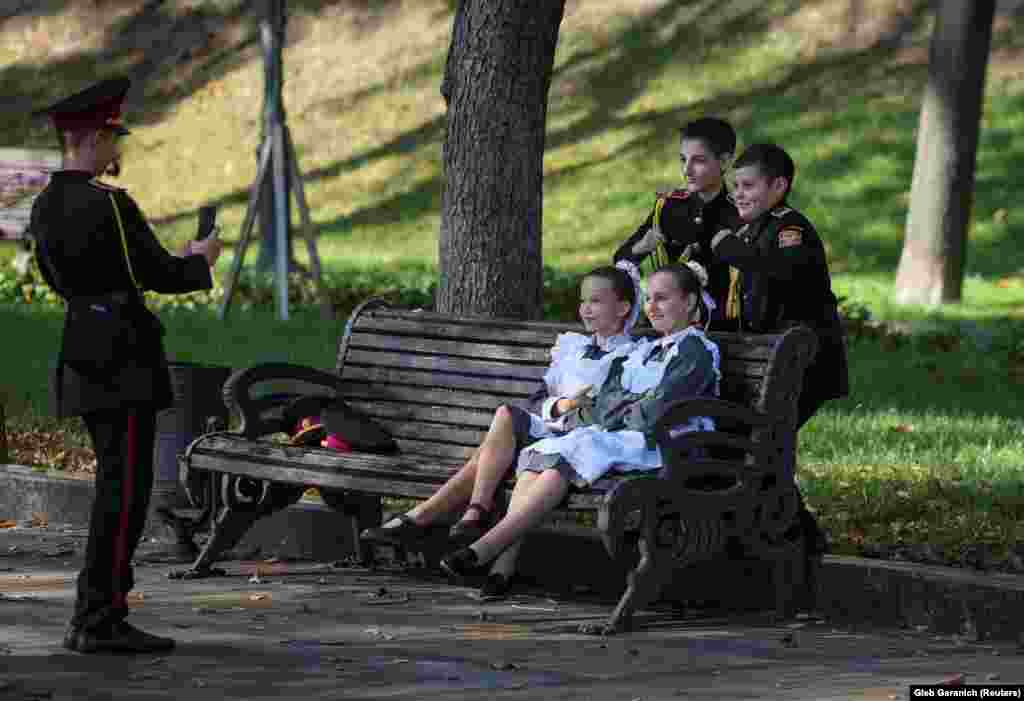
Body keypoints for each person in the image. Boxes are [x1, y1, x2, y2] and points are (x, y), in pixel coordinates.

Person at [29, 77, 223, 654]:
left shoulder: (45, 203)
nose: (119, 149)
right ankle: (99, 616)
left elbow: (62, 276)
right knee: (125, 491)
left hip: (82, 348)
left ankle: (99, 611)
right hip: (124, 359)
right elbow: (158, 274)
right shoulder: (108, 204)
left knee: (116, 486)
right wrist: (200, 260)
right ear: (92, 136)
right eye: (114, 136)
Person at [360, 262, 644, 597]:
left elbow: (609, 412)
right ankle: (474, 513)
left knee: (523, 461)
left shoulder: (632, 356)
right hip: (552, 427)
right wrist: (562, 405)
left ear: (623, 307)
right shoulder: (572, 347)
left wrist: (573, 411)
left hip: (579, 441)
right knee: (507, 414)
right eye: (583, 300)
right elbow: (539, 400)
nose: (585, 308)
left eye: (596, 301)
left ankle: (438, 520)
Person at [439, 263, 721, 597]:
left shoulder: (697, 350)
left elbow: (656, 410)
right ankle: (502, 566)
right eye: (649, 299)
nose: (652, 307)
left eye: (662, 298)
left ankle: (485, 549)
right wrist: (625, 406)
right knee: (540, 456)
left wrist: (623, 407)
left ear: (689, 302)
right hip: (627, 439)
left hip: (667, 446)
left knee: (572, 452)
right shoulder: (642, 351)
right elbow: (604, 401)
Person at [709, 142, 850, 556]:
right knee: (753, 446)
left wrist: (731, 250)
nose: (738, 194)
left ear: (778, 187)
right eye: (736, 186)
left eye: (749, 185)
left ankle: (797, 539)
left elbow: (781, 274)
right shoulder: (753, 230)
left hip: (806, 365)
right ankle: (783, 535)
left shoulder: (792, 230)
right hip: (770, 365)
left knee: (762, 445)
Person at [613, 117, 740, 320]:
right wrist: (640, 249)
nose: (686, 170)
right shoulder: (669, 208)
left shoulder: (740, 212)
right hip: (666, 324)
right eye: (683, 159)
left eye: (698, 161)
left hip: (720, 328)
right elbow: (621, 258)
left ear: (724, 161)